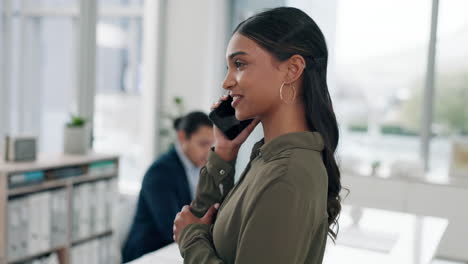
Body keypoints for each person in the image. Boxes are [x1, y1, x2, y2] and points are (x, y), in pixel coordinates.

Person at [173, 7, 343, 263]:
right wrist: (223, 154)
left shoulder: (286, 175)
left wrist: (190, 238)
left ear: (292, 69)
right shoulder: (267, 159)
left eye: (239, 64)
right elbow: (203, 221)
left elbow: (194, 231)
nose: (226, 82)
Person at [122, 111, 215, 263]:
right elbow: (171, 228)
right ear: (182, 137)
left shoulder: (197, 167)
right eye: (203, 144)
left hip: (174, 250)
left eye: (212, 145)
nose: (208, 152)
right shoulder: (160, 173)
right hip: (148, 252)